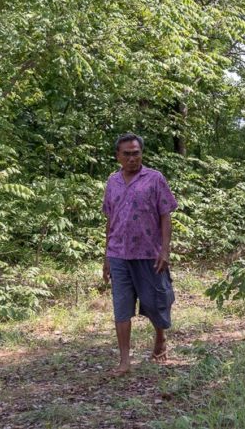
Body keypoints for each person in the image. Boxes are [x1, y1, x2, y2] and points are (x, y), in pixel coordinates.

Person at [102, 133, 178, 376]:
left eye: (136, 153)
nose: (132, 158)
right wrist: (106, 256)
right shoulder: (112, 182)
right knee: (121, 307)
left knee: (156, 301)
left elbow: (165, 215)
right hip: (118, 254)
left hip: (149, 253)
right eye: (127, 154)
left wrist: (165, 250)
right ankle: (124, 361)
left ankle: (160, 339)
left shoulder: (154, 179)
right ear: (118, 156)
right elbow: (110, 219)